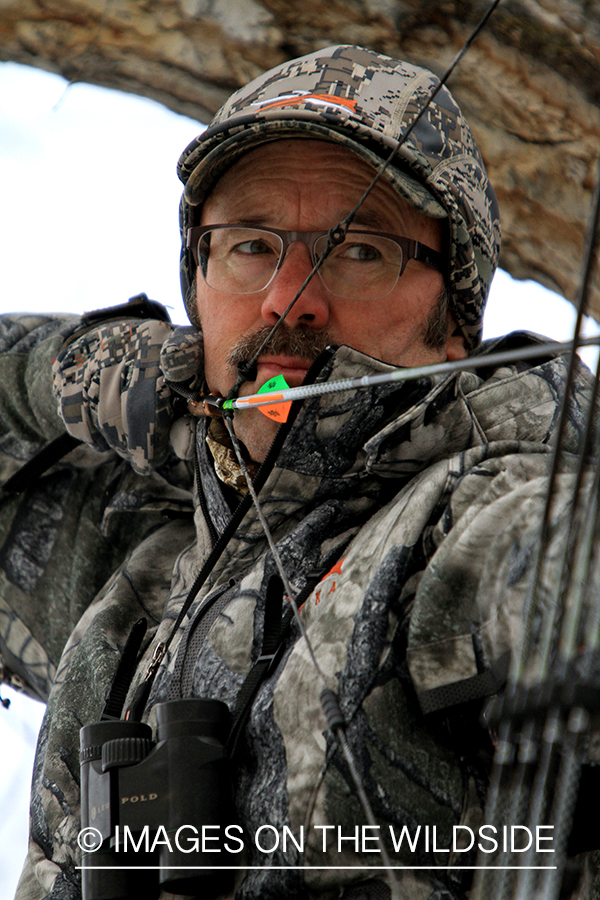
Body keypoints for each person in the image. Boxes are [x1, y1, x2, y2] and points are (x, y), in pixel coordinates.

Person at [0, 44, 594, 900]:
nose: (289, 298)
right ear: (195, 286)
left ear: (454, 322)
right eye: (248, 246)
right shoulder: (130, 566)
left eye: (358, 251)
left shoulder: (474, 521)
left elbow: (551, 568)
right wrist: (114, 381)